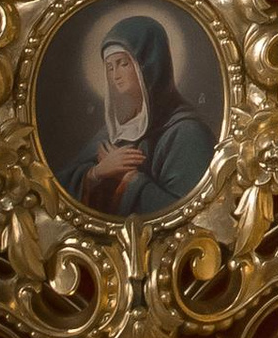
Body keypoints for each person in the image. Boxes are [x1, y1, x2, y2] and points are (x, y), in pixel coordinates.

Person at [61, 13, 218, 217]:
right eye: (110, 67)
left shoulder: (187, 133)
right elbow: (58, 189)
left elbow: (195, 214)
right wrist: (96, 173)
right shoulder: (112, 133)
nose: (115, 75)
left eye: (123, 63)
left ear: (150, 66)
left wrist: (129, 179)